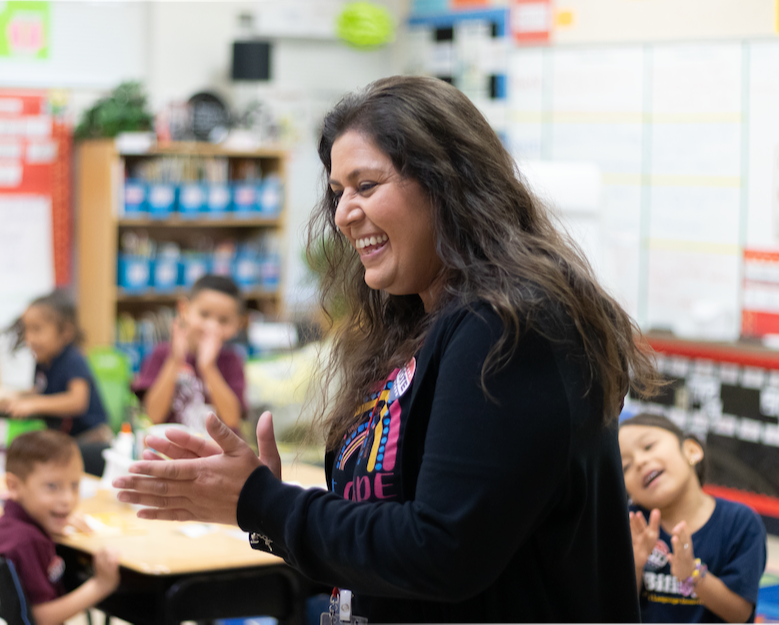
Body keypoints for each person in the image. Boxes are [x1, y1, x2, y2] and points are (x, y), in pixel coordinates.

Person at [113, 75, 662, 624]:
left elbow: (442, 550)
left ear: (448, 182)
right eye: (337, 192)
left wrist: (264, 502)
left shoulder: (506, 326)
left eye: (367, 185)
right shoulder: (418, 327)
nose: (343, 214)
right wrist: (269, 511)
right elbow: (389, 546)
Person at [620, 413, 766, 625]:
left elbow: (739, 614)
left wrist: (693, 575)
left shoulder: (741, 522)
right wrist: (635, 564)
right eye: (625, 466)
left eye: (648, 446)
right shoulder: (629, 524)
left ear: (691, 450)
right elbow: (615, 609)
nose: (640, 462)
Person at [0, 430, 120, 624]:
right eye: (52, 487)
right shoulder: (28, 540)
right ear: (13, 486)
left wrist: (53, 520)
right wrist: (101, 585)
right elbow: (41, 618)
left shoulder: (3, 525)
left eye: (74, 485)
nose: (67, 499)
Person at [131, 274, 247, 435]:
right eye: (204, 314)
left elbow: (232, 419)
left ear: (238, 324)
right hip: (172, 453)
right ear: (183, 309)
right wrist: (174, 360)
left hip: (216, 455)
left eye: (223, 321)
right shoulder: (162, 353)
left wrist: (208, 367)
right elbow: (153, 415)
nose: (211, 326)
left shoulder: (232, 360)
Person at [0, 290, 111, 443]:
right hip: (67, 437)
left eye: (37, 329)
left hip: (92, 438)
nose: (29, 338)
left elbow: (77, 401)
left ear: (65, 332)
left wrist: (33, 404)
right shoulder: (43, 361)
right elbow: (42, 390)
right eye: (27, 330)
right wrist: (16, 397)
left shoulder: (73, 359)